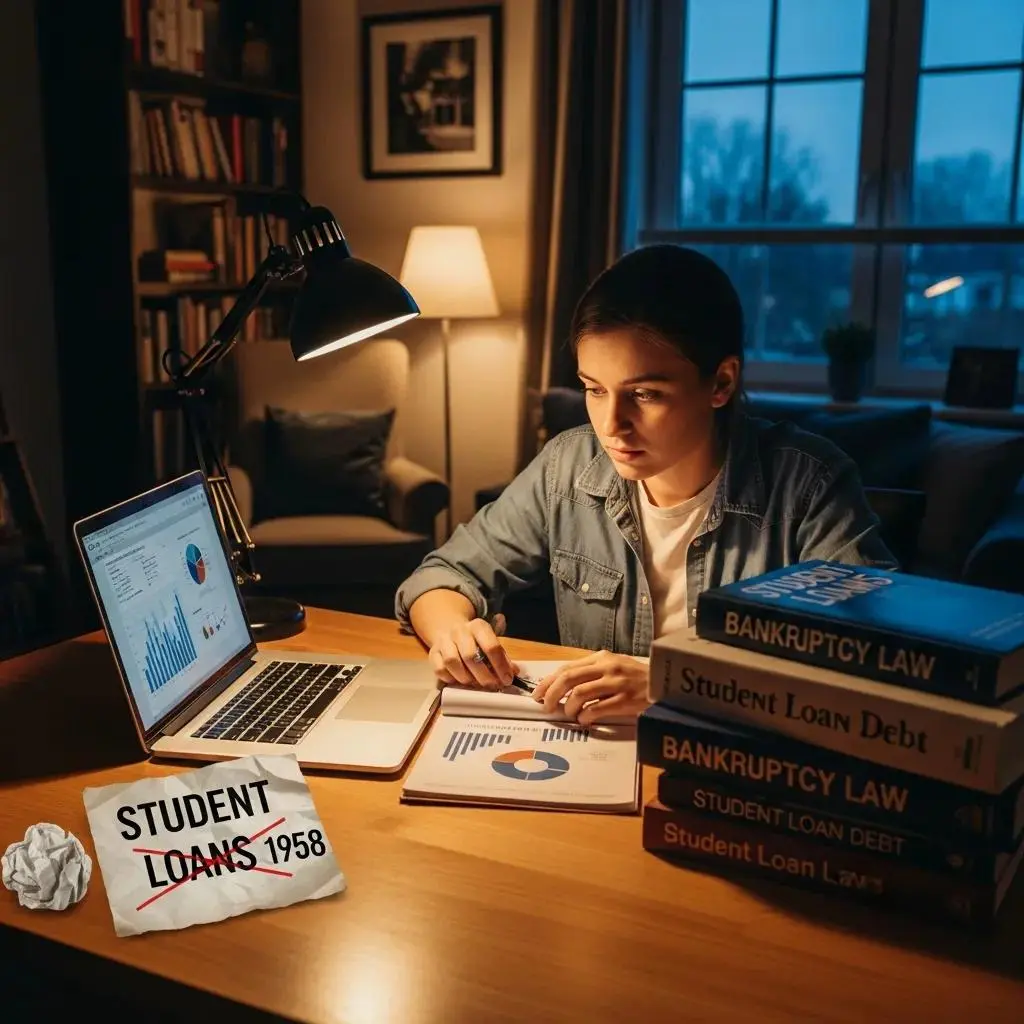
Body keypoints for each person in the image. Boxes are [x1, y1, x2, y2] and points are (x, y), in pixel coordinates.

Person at [394, 245, 897, 725]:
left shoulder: (810, 485)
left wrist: (669, 684)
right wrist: (454, 632)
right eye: (594, 389)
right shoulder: (568, 465)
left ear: (721, 383)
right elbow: (439, 576)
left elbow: (871, 660)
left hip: (731, 765)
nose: (611, 424)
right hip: (590, 753)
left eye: (645, 394)